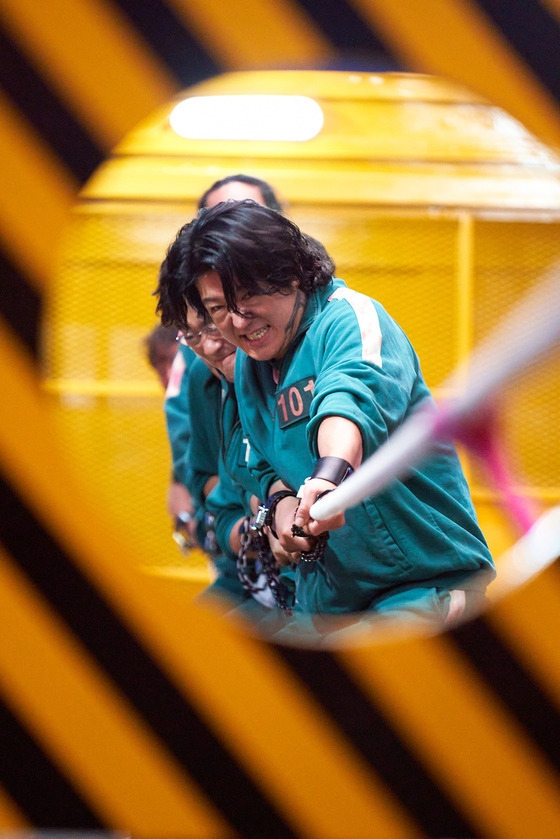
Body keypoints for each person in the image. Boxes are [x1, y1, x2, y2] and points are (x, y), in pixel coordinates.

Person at [155, 200, 496, 638]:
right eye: (219, 308)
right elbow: (258, 464)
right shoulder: (246, 368)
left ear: (291, 272)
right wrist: (280, 507)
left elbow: (348, 401)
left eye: (249, 295)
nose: (238, 321)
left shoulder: (349, 319)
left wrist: (328, 476)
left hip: (418, 584)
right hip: (323, 601)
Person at [162, 174, 284, 552]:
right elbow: (193, 467)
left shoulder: (319, 327)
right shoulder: (197, 361)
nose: (217, 339)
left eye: (248, 216)